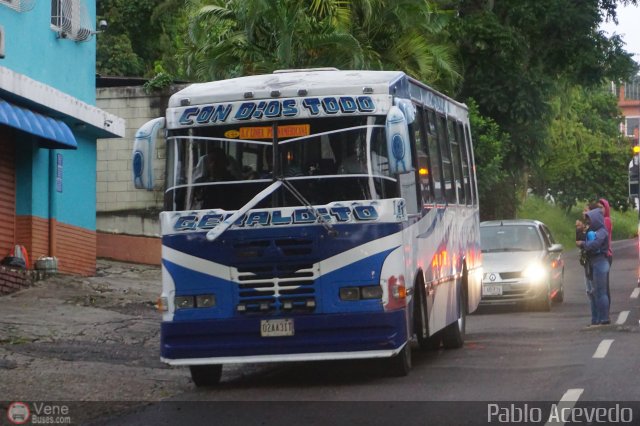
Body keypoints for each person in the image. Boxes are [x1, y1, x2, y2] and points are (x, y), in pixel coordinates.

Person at [576, 208, 610, 325]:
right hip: (592, 262)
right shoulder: (593, 231)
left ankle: (604, 318)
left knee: (601, 292)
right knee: (593, 293)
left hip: (600, 261)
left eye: (590, 219)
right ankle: (596, 319)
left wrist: (584, 244)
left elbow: (595, 245)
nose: (589, 222)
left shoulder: (602, 231)